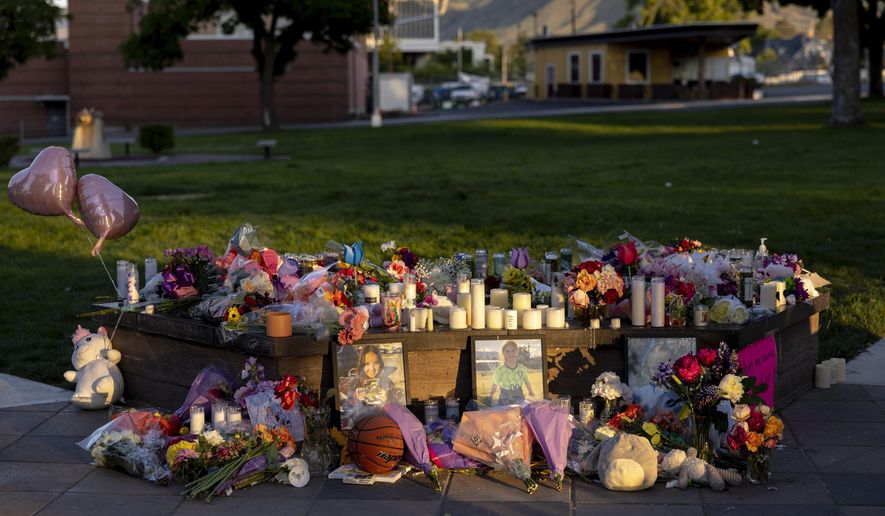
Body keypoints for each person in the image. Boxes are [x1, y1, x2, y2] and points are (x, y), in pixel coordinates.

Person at [488, 340, 535, 405]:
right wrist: (490, 396)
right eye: (508, 351)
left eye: (513, 351)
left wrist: (531, 391)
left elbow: (526, 381)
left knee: (518, 413)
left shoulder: (522, 368)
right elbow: (495, 384)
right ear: (503, 353)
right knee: (504, 413)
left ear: (517, 352)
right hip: (504, 397)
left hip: (518, 396)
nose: (511, 353)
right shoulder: (500, 370)